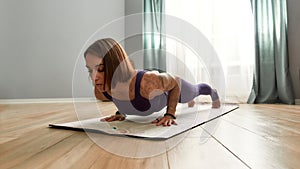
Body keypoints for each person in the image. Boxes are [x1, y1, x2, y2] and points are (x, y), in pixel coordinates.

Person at [84, 38, 220, 127]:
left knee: (196, 91)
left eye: (100, 69)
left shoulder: (147, 83)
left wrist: (170, 114)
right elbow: (122, 94)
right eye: (90, 70)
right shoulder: (100, 91)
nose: (94, 77)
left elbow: (176, 83)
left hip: (171, 88)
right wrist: (121, 113)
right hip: (150, 85)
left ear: (115, 65)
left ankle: (212, 92)